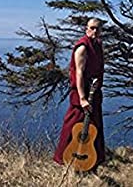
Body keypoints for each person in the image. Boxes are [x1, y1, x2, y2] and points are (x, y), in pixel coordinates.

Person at [53, 17, 105, 168]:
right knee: (73, 124)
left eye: (97, 28)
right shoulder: (82, 47)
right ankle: (62, 160)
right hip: (81, 93)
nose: (94, 31)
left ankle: (92, 161)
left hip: (94, 92)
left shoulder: (98, 45)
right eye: (92, 28)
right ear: (86, 29)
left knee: (95, 125)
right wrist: (82, 98)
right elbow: (79, 73)